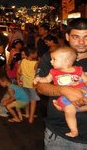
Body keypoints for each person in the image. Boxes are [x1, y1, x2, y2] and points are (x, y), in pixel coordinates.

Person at [35, 18, 87, 149]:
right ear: (67, 36)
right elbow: (40, 86)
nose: (82, 42)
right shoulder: (53, 57)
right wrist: (65, 90)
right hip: (59, 134)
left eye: (86, 37)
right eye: (76, 37)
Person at [34, 46, 87, 137]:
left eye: (54, 59)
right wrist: (38, 79)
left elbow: (86, 80)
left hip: (83, 91)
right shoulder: (53, 72)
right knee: (68, 110)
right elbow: (46, 80)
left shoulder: (78, 70)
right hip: (65, 97)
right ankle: (74, 130)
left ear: (66, 61)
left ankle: (80, 108)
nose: (51, 62)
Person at [17, 47, 40, 123]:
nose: (37, 54)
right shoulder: (35, 63)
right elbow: (37, 74)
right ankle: (31, 118)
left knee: (27, 99)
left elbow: (19, 71)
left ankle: (27, 114)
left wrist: (23, 75)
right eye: (36, 53)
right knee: (33, 101)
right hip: (33, 84)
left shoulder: (23, 61)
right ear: (32, 54)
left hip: (25, 83)